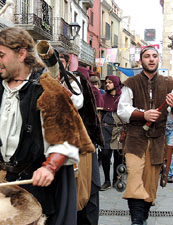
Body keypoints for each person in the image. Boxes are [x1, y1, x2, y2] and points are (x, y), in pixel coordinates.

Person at [0, 27, 95, 225]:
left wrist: (49, 167)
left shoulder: (46, 88)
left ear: (21, 54)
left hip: (34, 184)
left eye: (1, 55)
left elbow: (64, 136)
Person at [117, 46, 173, 225]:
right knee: (134, 180)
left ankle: (143, 216)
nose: (151, 59)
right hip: (135, 140)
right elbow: (122, 110)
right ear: (141, 61)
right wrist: (143, 114)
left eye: (154, 56)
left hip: (157, 142)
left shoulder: (168, 83)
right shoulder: (131, 83)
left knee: (150, 183)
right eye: (147, 56)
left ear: (158, 60)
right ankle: (137, 221)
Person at [57, 50, 102, 225]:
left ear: (67, 63)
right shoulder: (39, 80)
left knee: (85, 191)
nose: (57, 65)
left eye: (60, 61)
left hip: (79, 143)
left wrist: (59, 86)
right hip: (52, 144)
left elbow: (78, 102)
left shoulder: (75, 80)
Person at [100, 75, 124, 191]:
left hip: (119, 129)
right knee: (105, 154)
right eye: (106, 82)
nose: (107, 84)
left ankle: (116, 179)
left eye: (110, 82)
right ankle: (107, 181)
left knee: (118, 156)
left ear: (115, 83)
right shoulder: (103, 97)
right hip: (106, 129)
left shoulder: (123, 97)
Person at [165, 116, 173, 183]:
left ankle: (168, 174)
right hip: (159, 130)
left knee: (172, 153)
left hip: (172, 130)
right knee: (159, 151)